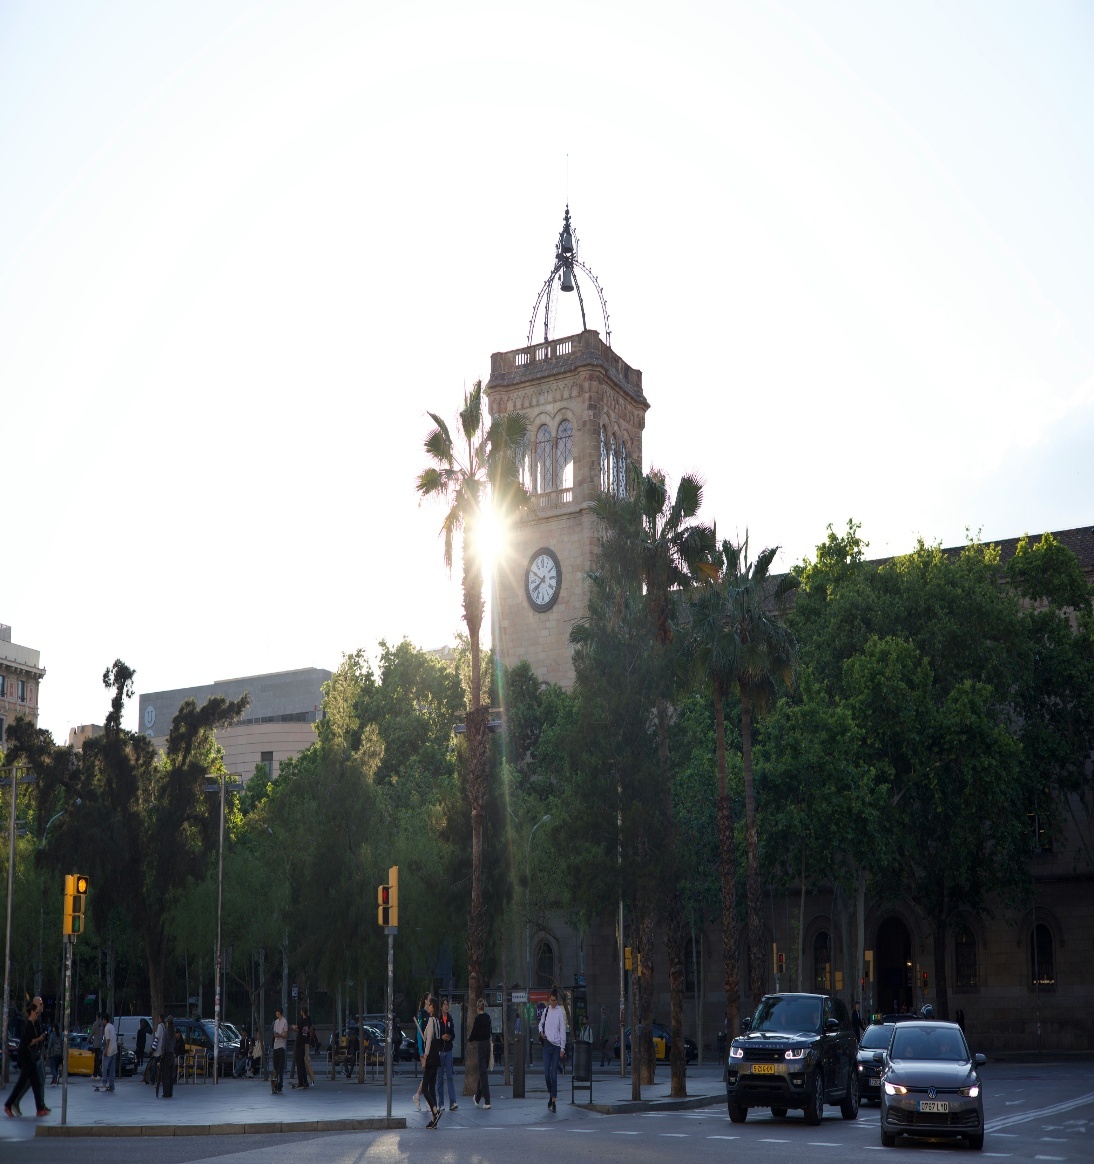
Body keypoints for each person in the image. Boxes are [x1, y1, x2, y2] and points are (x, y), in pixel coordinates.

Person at [5, 1000, 48, 1118]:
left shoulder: (33, 1024)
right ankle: (9, 1105)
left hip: (30, 1058)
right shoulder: (28, 1024)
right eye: (36, 1013)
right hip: (26, 1058)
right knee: (22, 1083)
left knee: (36, 1082)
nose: (37, 1015)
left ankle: (39, 1108)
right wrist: (39, 1039)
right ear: (32, 1012)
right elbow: (28, 1042)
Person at [538, 986, 567, 1114]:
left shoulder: (560, 1012)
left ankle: (554, 1101)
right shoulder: (546, 1011)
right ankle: (551, 1094)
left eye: (555, 1000)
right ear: (549, 1000)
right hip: (547, 1045)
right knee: (546, 1074)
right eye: (552, 1000)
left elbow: (562, 1031)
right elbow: (540, 1023)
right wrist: (541, 1032)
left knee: (553, 1075)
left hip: (556, 1047)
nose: (553, 1002)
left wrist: (562, 1048)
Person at [420, 997, 442, 1129]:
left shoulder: (430, 1021)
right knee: (432, 1086)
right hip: (437, 1056)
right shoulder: (438, 1022)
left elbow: (428, 1042)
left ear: (433, 1006)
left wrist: (425, 1057)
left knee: (425, 1088)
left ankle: (435, 1110)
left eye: (429, 1005)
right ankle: (434, 1118)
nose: (427, 1007)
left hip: (431, 1057)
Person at [467, 997, 492, 1109]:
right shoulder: (488, 1018)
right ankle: (477, 1098)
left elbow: (474, 1034)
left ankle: (487, 1100)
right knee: (483, 1071)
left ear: (478, 1008)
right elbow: (490, 1032)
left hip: (481, 1046)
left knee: (483, 1074)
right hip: (487, 1045)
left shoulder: (478, 1019)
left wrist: (469, 1039)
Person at [412, 993, 431, 1112]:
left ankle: (418, 1096)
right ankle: (424, 1099)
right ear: (425, 1001)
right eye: (429, 999)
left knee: (428, 1075)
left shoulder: (430, 1014)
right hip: (424, 1049)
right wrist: (421, 1052)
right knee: (428, 1075)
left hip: (429, 1047)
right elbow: (419, 1034)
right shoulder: (422, 1014)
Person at [438, 996, 457, 1112]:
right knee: (440, 1078)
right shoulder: (438, 1019)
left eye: (447, 1005)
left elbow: (453, 1034)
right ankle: (441, 1103)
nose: (446, 1006)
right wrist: (441, 1037)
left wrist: (450, 1037)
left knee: (450, 1076)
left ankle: (453, 1101)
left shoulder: (450, 1019)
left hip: (448, 1050)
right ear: (441, 1007)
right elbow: (435, 1035)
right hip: (440, 1050)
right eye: (444, 1004)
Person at [294, 1005, 313, 1088]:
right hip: (306, 1042)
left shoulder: (300, 1020)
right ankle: (305, 1081)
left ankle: (301, 1081)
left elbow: (298, 1027)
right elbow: (306, 1030)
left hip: (300, 1042)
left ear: (302, 1011)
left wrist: (294, 1027)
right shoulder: (308, 1020)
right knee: (304, 1062)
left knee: (299, 1062)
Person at [159, 1017, 176, 1098]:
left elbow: (163, 1044)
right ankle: (170, 1092)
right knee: (170, 1075)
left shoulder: (166, 1032)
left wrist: (162, 1054)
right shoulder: (173, 1032)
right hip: (172, 1055)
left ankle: (166, 1093)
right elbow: (174, 1044)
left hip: (166, 1055)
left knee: (165, 1075)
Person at [272, 1007, 288, 1093]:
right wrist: (276, 1035)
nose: (276, 1013)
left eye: (276, 1012)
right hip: (275, 1045)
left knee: (280, 1067)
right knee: (275, 1067)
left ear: (279, 1012)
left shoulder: (284, 1022)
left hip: (281, 1045)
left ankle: (280, 1085)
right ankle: (274, 1084)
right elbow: (274, 1033)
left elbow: (285, 1035)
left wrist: (280, 1035)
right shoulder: (276, 1022)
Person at [148, 1014, 166, 1090]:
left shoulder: (159, 1027)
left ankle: (152, 1078)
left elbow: (157, 1037)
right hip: (162, 1049)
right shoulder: (164, 1027)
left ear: (160, 1018)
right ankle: (157, 1079)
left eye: (158, 1018)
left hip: (158, 1050)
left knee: (155, 1065)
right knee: (159, 1065)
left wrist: (153, 1047)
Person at [101, 1014, 118, 1092]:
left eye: (103, 1020)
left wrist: (105, 1050)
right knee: (112, 1069)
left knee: (104, 1066)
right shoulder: (112, 1026)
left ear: (105, 1020)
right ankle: (112, 1085)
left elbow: (107, 1040)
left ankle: (104, 1082)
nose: (102, 1022)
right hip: (115, 1049)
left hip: (110, 1050)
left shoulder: (107, 1028)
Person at [89, 1012, 105, 1080]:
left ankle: (98, 1074)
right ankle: (94, 1074)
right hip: (100, 1043)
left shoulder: (95, 1024)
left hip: (96, 1043)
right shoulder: (101, 1024)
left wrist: (88, 1039)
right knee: (96, 1059)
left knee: (97, 1060)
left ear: (97, 1016)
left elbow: (92, 1032)